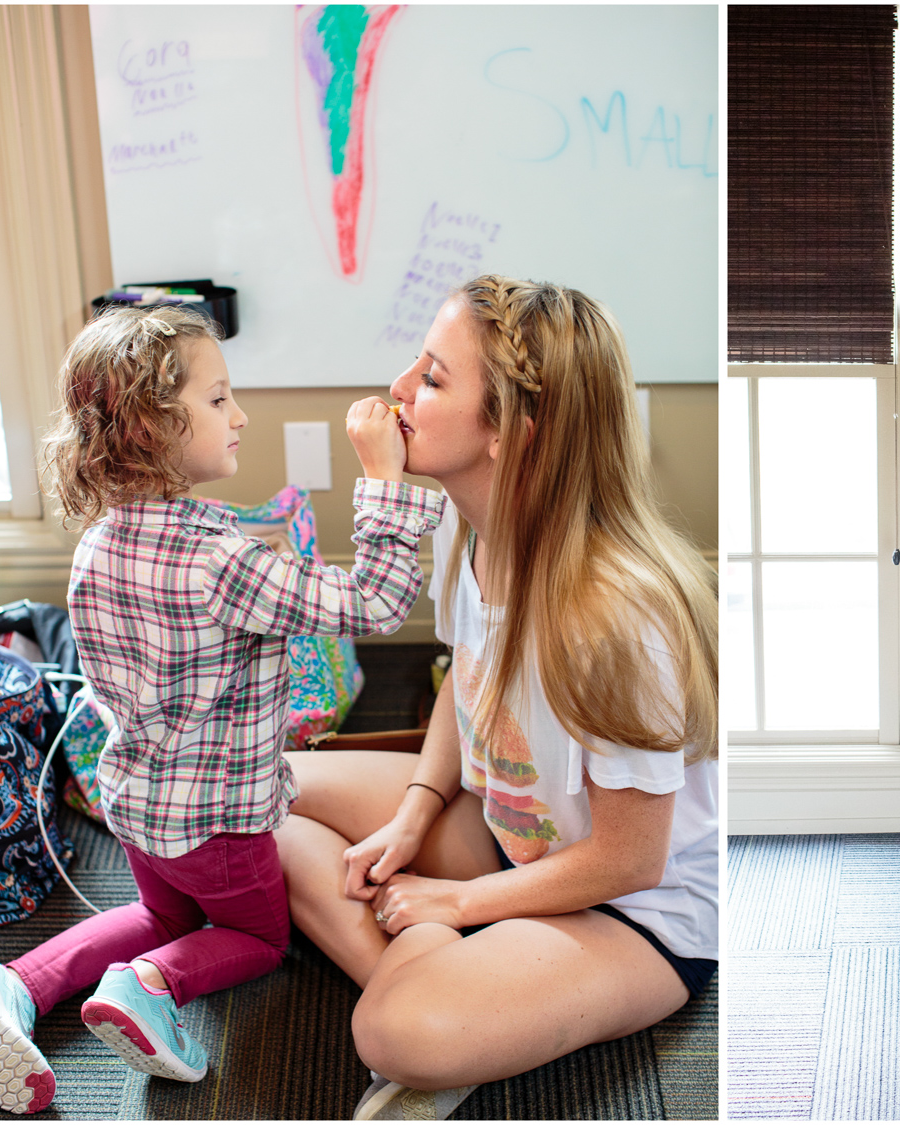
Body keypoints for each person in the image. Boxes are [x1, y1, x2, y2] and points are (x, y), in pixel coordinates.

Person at [0, 304, 443, 1115]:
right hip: (221, 824)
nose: (241, 416)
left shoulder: (99, 541)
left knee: (160, 911)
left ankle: (16, 980)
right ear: (156, 425)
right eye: (220, 398)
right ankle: (150, 984)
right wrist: (383, 480)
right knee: (258, 939)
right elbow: (374, 601)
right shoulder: (222, 559)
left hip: (139, 809)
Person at [276, 275, 719, 1120]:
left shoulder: (614, 616)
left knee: (391, 1031)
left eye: (435, 379)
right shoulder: (462, 527)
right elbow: (464, 686)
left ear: (517, 430)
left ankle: (441, 983)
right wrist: (411, 814)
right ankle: (454, 970)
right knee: (264, 795)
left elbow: (633, 858)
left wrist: (454, 900)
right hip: (515, 835)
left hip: (634, 910)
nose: (400, 390)